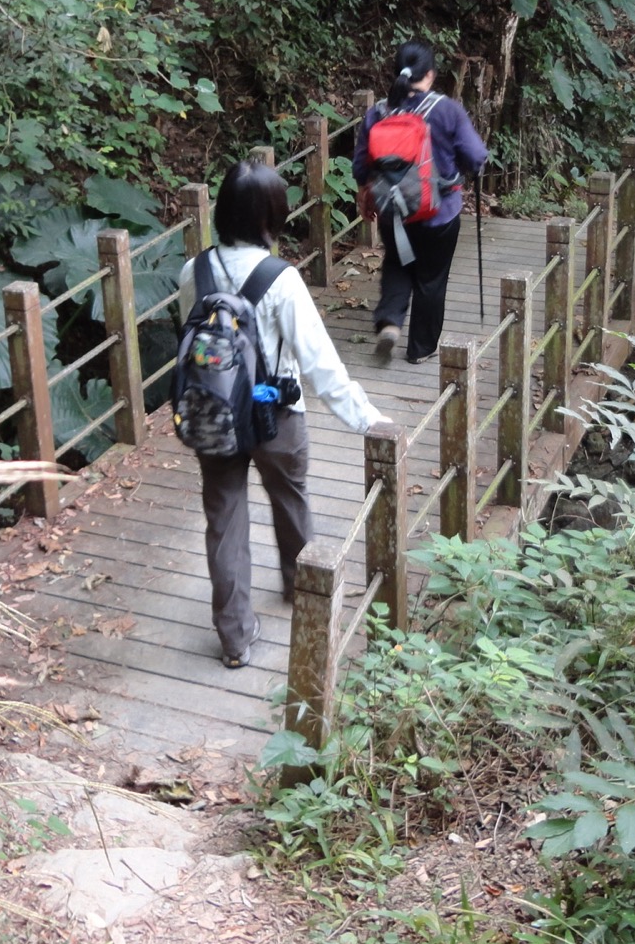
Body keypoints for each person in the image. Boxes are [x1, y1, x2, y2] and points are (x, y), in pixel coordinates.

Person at [178, 161, 385, 668]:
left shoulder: (193, 271)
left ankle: (235, 637)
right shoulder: (281, 279)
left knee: (223, 520)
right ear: (272, 215)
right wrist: (367, 421)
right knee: (290, 499)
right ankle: (301, 589)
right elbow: (319, 363)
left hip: (215, 414)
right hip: (278, 416)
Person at [352, 40, 489, 365]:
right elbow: (475, 156)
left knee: (398, 265)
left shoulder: (379, 112)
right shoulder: (447, 110)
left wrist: (364, 191)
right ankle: (421, 349)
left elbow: (360, 164)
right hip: (439, 215)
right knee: (431, 278)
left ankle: (389, 322)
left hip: (394, 210)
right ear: (430, 74)